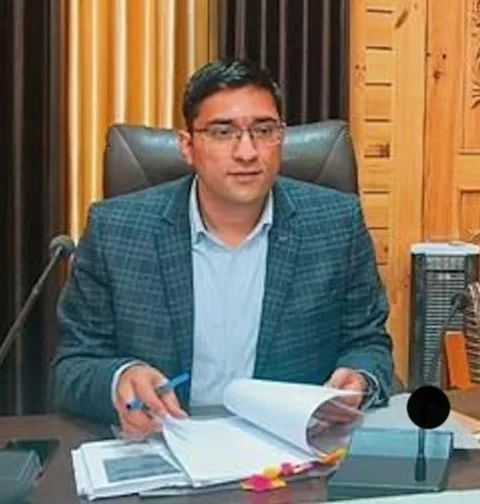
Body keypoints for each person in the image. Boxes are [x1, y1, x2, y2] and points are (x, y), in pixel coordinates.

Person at [51, 59, 394, 437]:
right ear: (187, 146)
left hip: (291, 448)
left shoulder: (337, 223)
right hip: (165, 442)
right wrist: (120, 378)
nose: (247, 152)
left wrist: (360, 378)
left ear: (281, 137)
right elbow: (73, 366)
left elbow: (368, 343)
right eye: (222, 132)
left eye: (264, 130)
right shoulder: (116, 230)